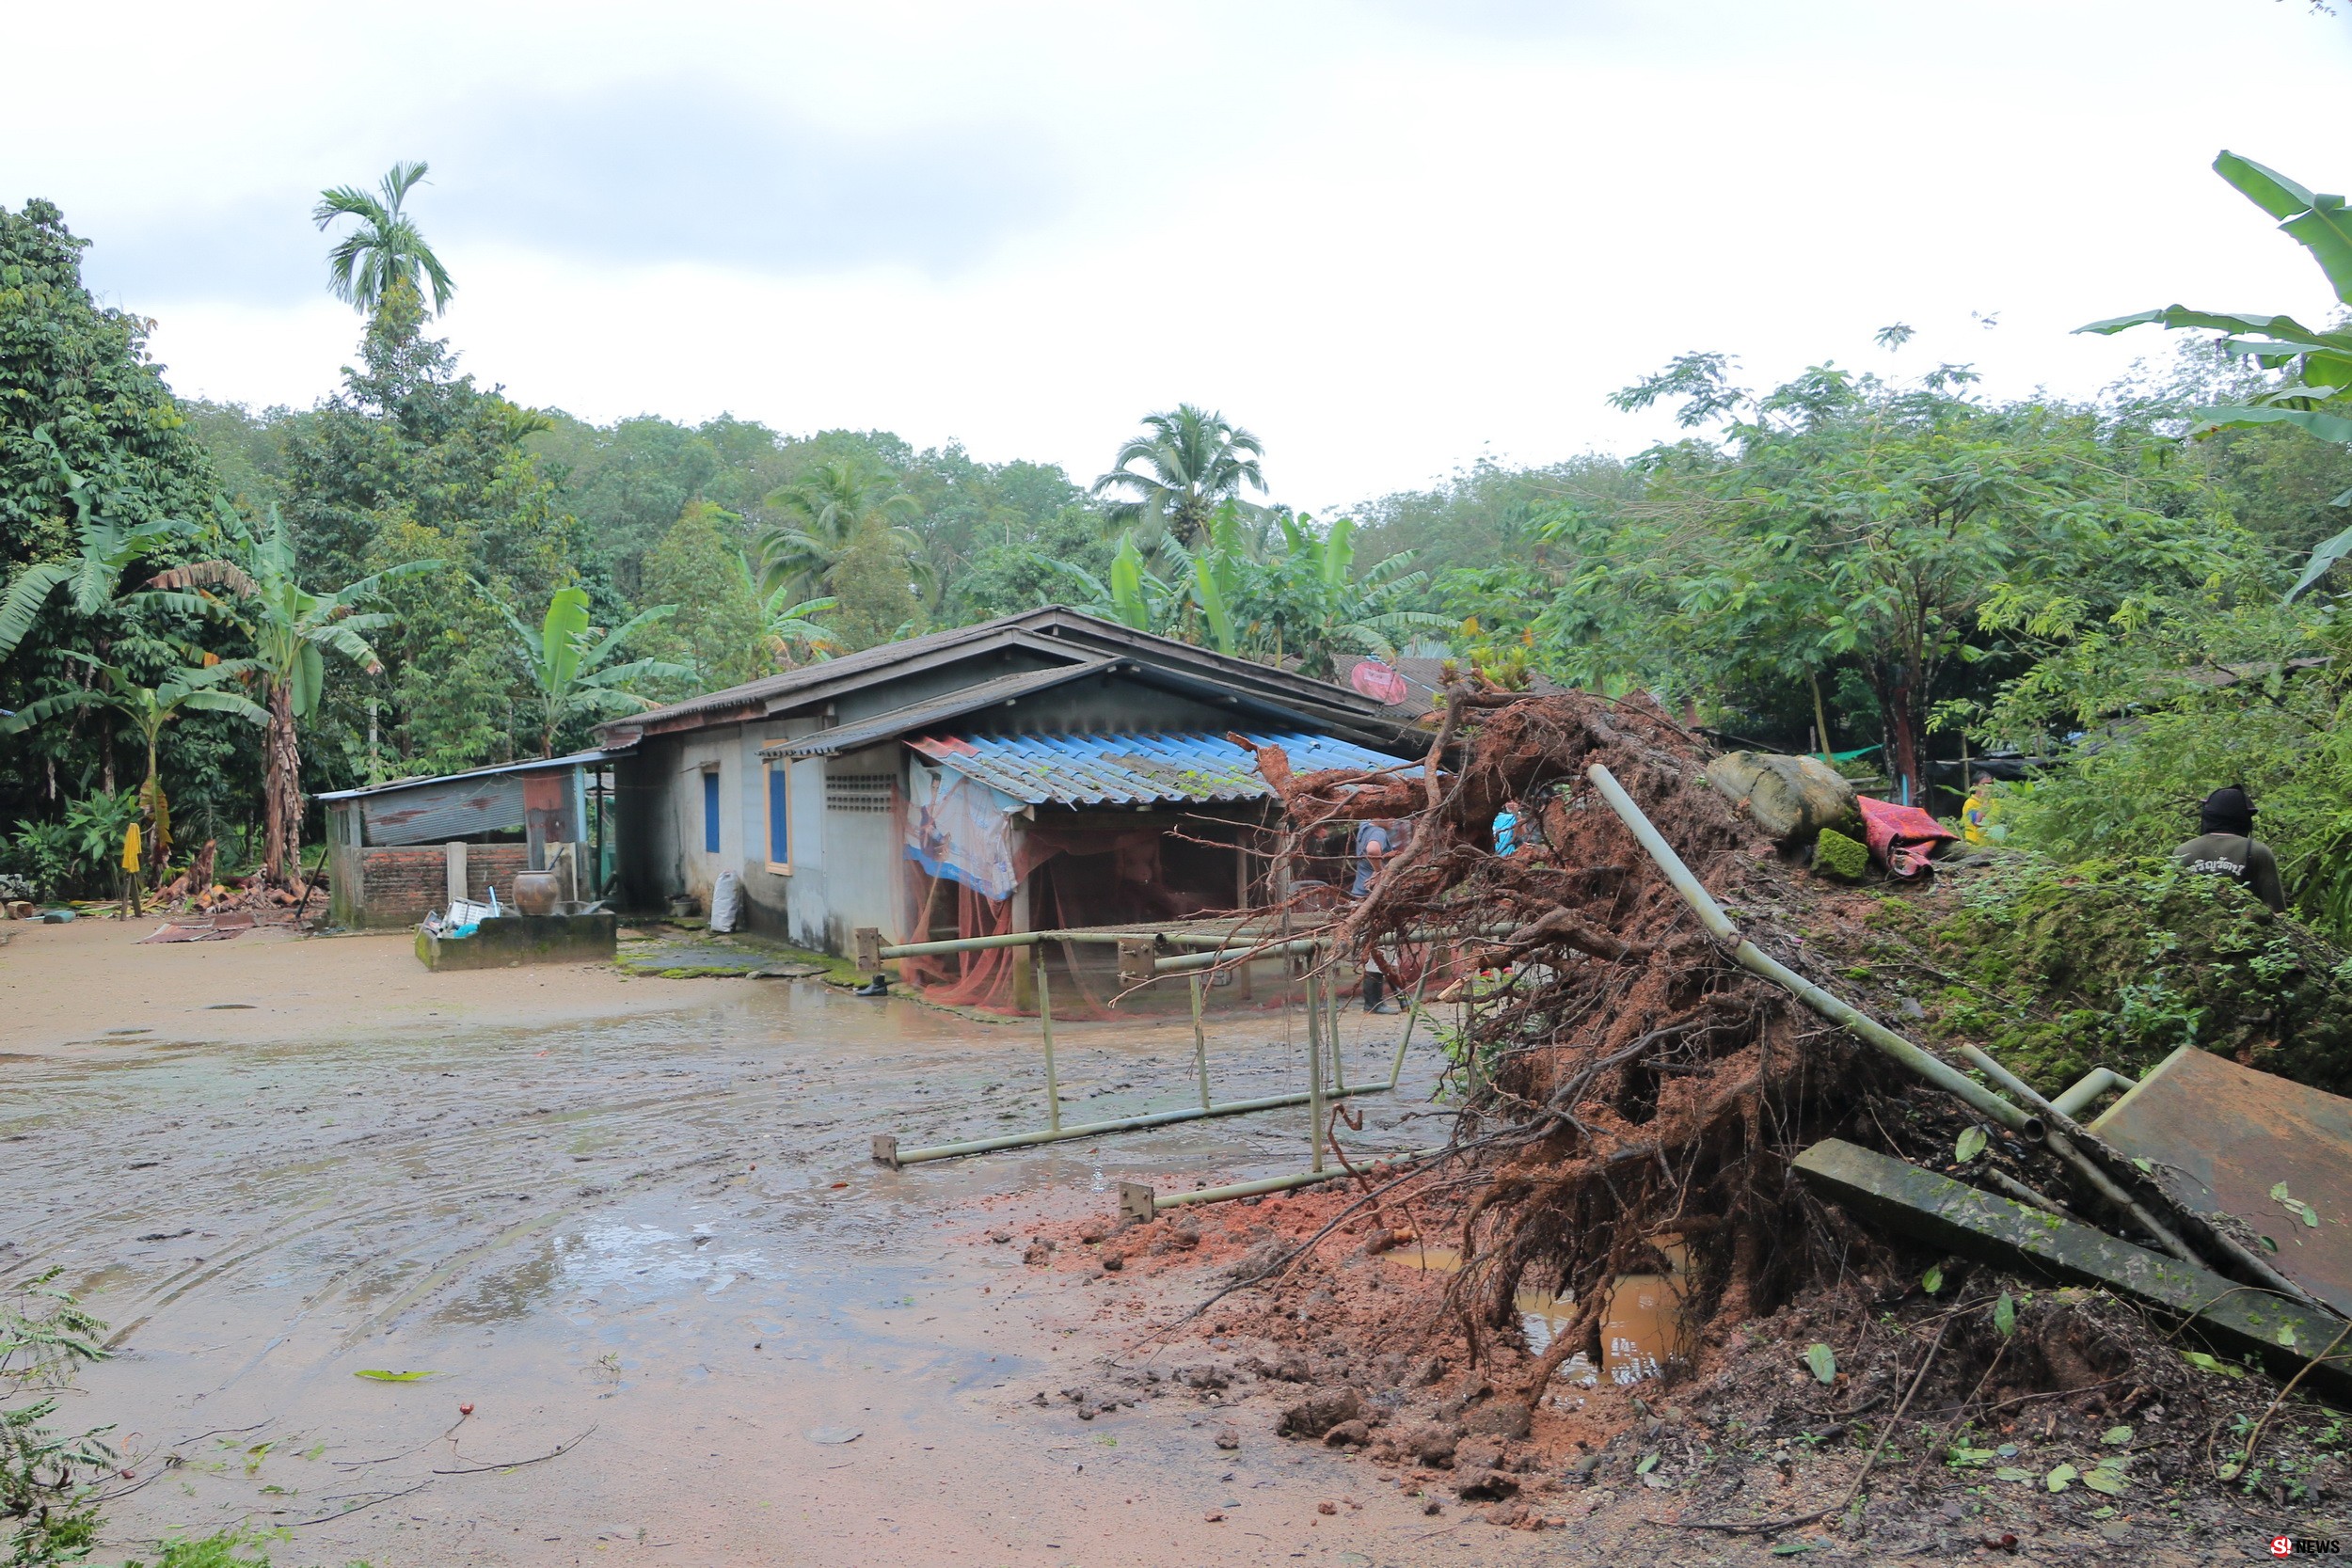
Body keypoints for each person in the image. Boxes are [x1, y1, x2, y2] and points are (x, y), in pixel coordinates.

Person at [2173, 784, 2287, 913]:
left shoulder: (2182, 851)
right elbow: (2278, 911)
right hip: (2245, 930)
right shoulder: (2258, 852)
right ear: (2244, 818)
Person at [1351, 817, 1400, 1012]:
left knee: (1385, 949)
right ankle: (1373, 1003)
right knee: (1379, 949)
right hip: (1372, 897)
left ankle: (1402, 999)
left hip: (1362, 895)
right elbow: (1373, 851)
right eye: (1390, 814)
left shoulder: (1364, 827)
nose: (1395, 819)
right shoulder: (1378, 832)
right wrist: (1380, 872)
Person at [1961, 772, 2003, 847]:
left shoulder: (1995, 802)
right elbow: (1977, 822)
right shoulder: (1970, 803)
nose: (1988, 787)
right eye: (1984, 785)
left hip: (1993, 846)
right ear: (1975, 786)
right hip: (1975, 847)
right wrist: (1985, 800)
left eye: (1990, 784)